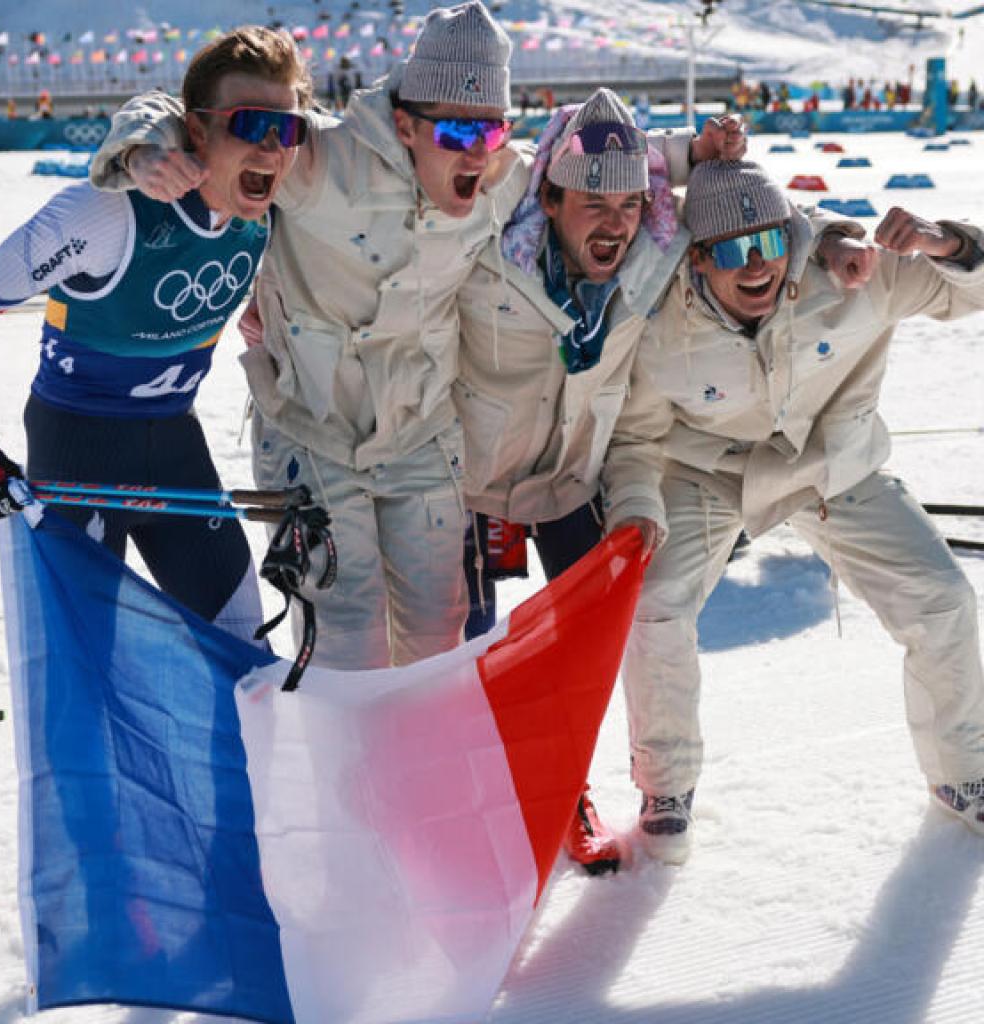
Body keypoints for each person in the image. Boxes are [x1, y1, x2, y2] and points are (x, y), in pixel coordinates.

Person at [457, 97, 857, 873]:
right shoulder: (486, 252)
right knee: (454, 653)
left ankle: (559, 794)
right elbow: (467, 180)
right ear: (550, 197)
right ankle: (460, 803)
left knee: (580, 658)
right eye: (593, 204)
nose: (616, 223)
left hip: (570, 478)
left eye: (630, 203)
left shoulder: (655, 256)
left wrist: (830, 233)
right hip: (462, 480)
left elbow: (757, 225)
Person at [91, 1, 531, 670]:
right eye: (452, 132)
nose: (474, 150)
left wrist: (692, 155)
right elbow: (194, 119)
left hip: (423, 434)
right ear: (406, 124)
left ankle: (421, 776)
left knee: (438, 643)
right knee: (344, 641)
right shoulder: (317, 158)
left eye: (490, 132)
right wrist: (143, 147)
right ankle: (346, 774)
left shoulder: (501, 177)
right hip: (310, 430)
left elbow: (599, 164)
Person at [619, 159, 984, 864]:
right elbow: (634, 438)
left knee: (941, 598)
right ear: (697, 261)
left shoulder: (857, 276)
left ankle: (963, 773)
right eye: (730, 252)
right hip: (708, 472)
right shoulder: (658, 325)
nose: (754, 265)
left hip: (832, 464)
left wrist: (950, 245)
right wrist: (638, 509)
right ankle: (666, 786)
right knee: (656, 601)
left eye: (768, 244)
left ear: (793, 237)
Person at [0, 26, 311, 642]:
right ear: (196, 130)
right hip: (78, 448)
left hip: (176, 444)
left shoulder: (274, 202)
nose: (274, 148)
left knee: (241, 657)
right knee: (84, 672)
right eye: (251, 126)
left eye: (288, 129)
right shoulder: (106, 213)